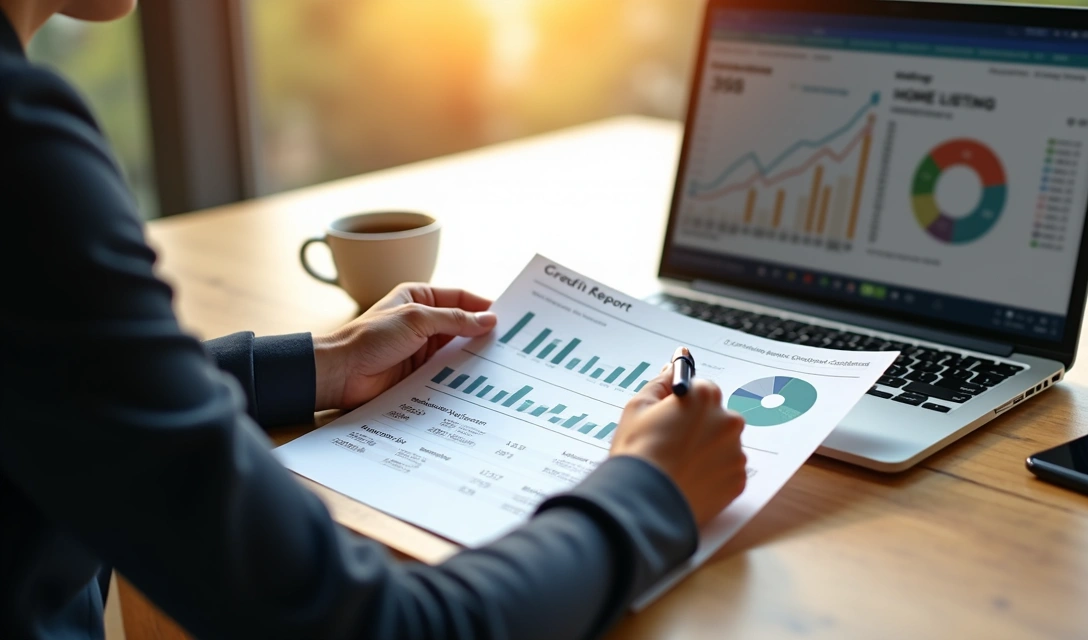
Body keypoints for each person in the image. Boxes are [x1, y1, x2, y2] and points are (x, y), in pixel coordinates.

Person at [0, 1, 749, 638]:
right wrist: (651, 493)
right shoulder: (23, 151)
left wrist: (319, 364)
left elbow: (49, 378)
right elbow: (378, 625)